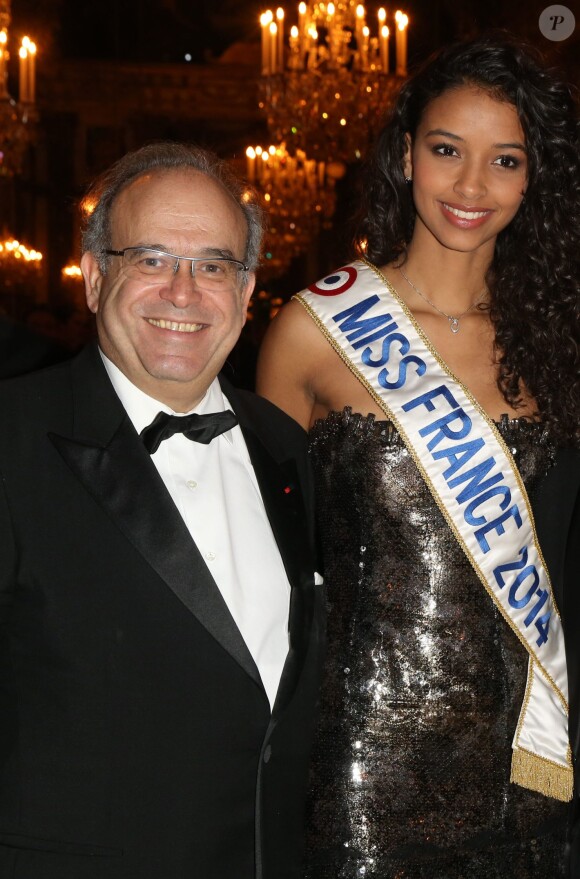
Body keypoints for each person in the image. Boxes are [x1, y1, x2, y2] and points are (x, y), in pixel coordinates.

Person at [257, 35, 580, 878]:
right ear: (406, 156)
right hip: (363, 755)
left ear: (532, 177)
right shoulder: (313, 330)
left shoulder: (555, 342)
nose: (471, 187)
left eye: (504, 160)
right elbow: (265, 559)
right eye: (447, 151)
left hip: (528, 752)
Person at [0, 142, 323, 879]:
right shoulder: (10, 439)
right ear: (93, 276)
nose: (183, 292)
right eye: (150, 258)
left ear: (245, 293)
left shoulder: (286, 447)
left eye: (212, 265)